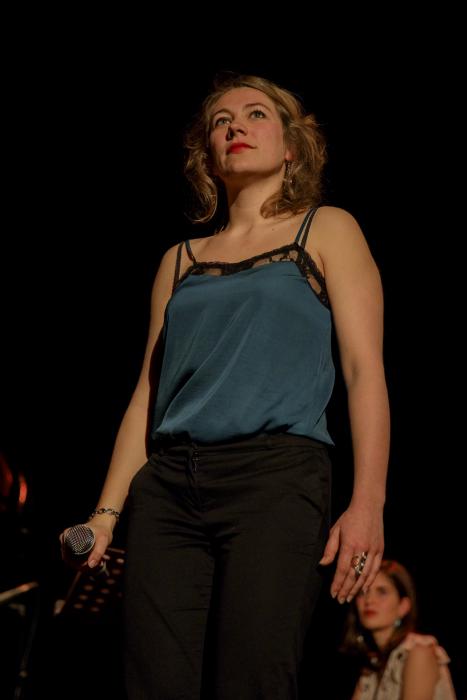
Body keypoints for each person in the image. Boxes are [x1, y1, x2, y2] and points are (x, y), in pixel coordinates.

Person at [60, 72, 390, 699]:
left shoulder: (326, 229)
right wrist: (104, 516)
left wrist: (367, 503)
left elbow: (363, 371)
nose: (237, 125)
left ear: (291, 147)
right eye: (221, 121)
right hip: (168, 490)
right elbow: (146, 396)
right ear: (208, 157)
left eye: (256, 113)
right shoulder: (179, 260)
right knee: (153, 684)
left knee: (253, 679)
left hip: (275, 480)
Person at [341, 559, 457, 699]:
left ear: (403, 606)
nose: (369, 600)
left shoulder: (418, 652)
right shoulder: (372, 666)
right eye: (362, 592)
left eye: (382, 592)